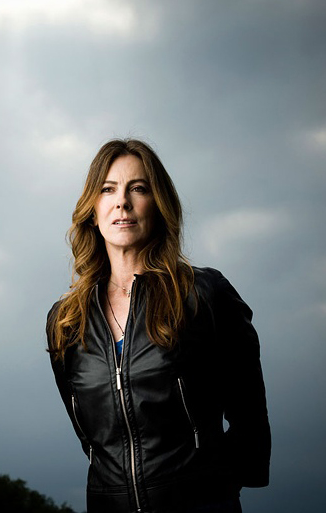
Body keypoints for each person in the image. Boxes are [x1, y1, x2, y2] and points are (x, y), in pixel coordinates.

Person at [46, 139, 271, 513]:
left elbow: (250, 417)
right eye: (108, 190)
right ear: (93, 211)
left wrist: (214, 488)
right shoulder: (66, 320)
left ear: (159, 204)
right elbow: (91, 439)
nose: (122, 202)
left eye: (138, 188)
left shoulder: (203, 294)